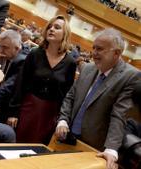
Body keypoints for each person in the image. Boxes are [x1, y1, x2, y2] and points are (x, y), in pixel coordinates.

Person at [55, 28, 140, 169]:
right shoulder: (88, 68)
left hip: (94, 148)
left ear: (117, 53)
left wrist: (111, 149)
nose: (93, 53)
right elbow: (70, 97)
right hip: (66, 138)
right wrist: (63, 120)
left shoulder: (130, 76)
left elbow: (119, 115)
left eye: (99, 49)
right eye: (93, 47)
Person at [8, 15, 77, 144]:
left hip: (50, 115)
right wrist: (14, 112)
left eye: (57, 27)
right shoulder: (35, 53)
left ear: (65, 34)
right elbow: (20, 83)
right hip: (28, 108)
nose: (51, 29)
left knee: (36, 152)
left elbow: (67, 94)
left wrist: (61, 119)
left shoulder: (70, 62)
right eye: (50, 26)